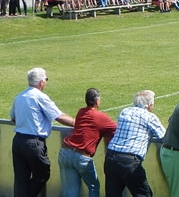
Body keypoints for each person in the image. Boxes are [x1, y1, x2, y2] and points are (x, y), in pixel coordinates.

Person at [9, 67, 74, 197]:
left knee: (21, 178)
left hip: (18, 140)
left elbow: (13, 117)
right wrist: (79, 123)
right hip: (34, 143)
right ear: (41, 82)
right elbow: (59, 117)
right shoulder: (40, 97)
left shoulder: (19, 96)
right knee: (43, 173)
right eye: (46, 79)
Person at [104, 90, 166, 197]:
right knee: (143, 194)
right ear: (149, 105)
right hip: (129, 162)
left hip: (111, 157)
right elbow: (164, 136)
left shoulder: (124, 111)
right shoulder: (149, 117)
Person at [60, 88, 118, 197]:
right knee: (94, 187)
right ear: (97, 101)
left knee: (71, 192)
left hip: (65, 153)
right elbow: (117, 129)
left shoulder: (81, 111)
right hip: (81, 157)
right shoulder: (102, 117)